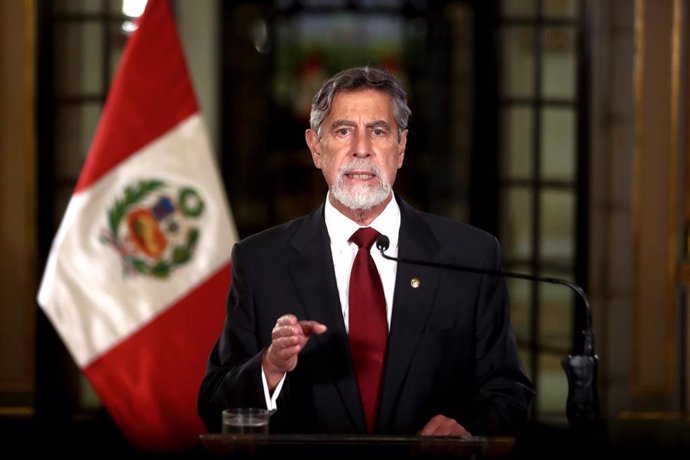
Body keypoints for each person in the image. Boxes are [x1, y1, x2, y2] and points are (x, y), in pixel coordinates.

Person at [198, 66, 534, 437]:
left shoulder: (470, 255)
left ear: (401, 147)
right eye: (343, 131)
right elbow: (215, 406)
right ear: (315, 147)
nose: (361, 149)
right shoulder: (260, 261)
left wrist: (469, 431)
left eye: (378, 131)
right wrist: (271, 366)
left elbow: (509, 392)